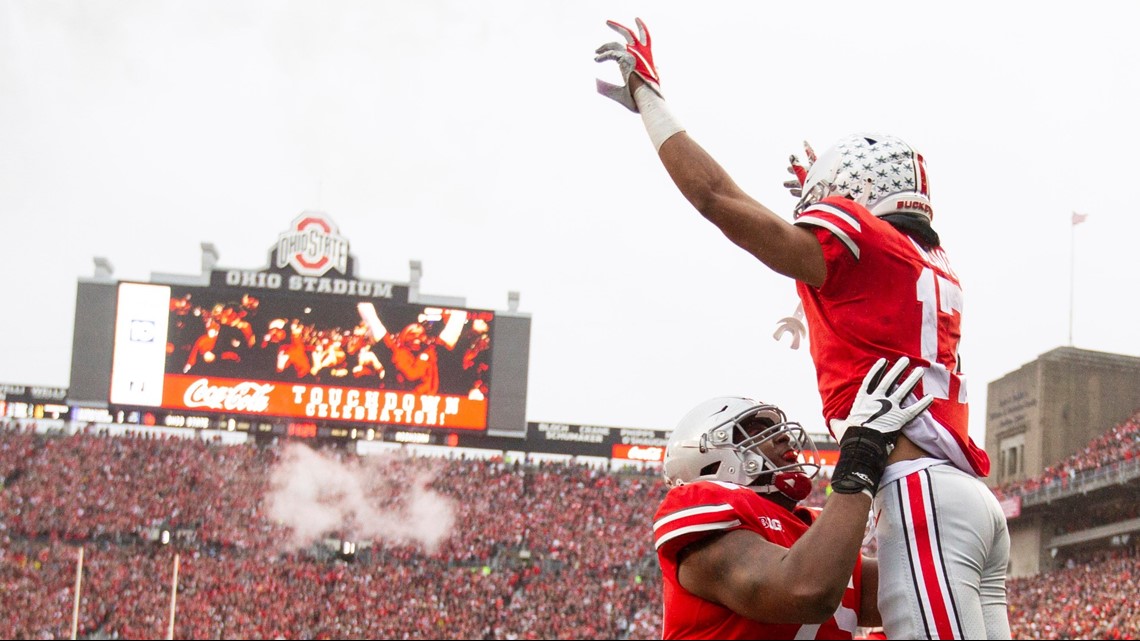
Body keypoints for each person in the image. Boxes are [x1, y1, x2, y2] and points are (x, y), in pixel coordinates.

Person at [596, 18, 1011, 639]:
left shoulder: (863, 248)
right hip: (964, 494)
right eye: (756, 436)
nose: (783, 443)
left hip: (922, 487)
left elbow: (721, 202)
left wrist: (652, 102)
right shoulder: (925, 261)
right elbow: (806, 586)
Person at [655, 357, 930, 639]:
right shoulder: (702, 500)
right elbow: (805, 590)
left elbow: (919, 598)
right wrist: (861, 456)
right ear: (710, 462)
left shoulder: (812, 529)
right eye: (756, 431)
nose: (784, 437)